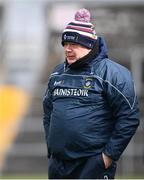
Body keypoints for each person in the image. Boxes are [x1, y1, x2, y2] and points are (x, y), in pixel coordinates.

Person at [43, 8, 140, 179]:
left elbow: (129, 118)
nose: (67, 49)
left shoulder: (113, 73)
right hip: (58, 165)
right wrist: (52, 147)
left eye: (74, 44)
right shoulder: (57, 73)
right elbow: (48, 112)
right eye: (65, 44)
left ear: (89, 44)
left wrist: (108, 157)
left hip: (93, 164)